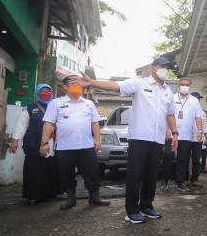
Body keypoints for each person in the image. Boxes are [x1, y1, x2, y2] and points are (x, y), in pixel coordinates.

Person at [76, 56, 179, 224]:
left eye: (168, 68)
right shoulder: (140, 83)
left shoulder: (168, 91)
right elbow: (117, 86)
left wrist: (175, 133)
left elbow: (170, 114)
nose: (165, 70)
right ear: (154, 68)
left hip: (157, 139)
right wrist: (93, 83)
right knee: (135, 175)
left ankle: (146, 205)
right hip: (139, 138)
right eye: (163, 67)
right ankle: (131, 210)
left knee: (151, 175)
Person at [40, 76, 109, 210]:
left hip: (86, 146)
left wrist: (97, 139)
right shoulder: (55, 103)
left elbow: (95, 122)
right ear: (65, 87)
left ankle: (94, 197)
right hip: (64, 147)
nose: (77, 85)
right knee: (66, 174)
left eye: (79, 83)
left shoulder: (89, 104)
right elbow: (48, 123)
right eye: (72, 83)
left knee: (92, 173)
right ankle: (70, 199)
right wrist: (44, 143)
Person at [9, 83, 58, 203]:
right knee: (34, 171)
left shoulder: (56, 108)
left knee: (49, 170)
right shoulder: (29, 108)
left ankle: (49, 195)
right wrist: (15, 141)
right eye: (42, 91)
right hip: (33, 145)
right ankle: (33, 195)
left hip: (51, 145)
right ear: (37, 93)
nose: (45, 94)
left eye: (48, 91)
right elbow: (21, 126)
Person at [172, 79, 203, 191]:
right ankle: (166, 180)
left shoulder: (194, 100)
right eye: (182, 85)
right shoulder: (172, 98)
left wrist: (199, 131)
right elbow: (168, 114)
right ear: (178, 86)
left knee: (183, 159)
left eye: (187, 85)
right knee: (168, 157)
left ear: (190, 86)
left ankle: (181, 181)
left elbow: (198, 116)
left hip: (186, 135)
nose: (184, 87)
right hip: (173, 134)